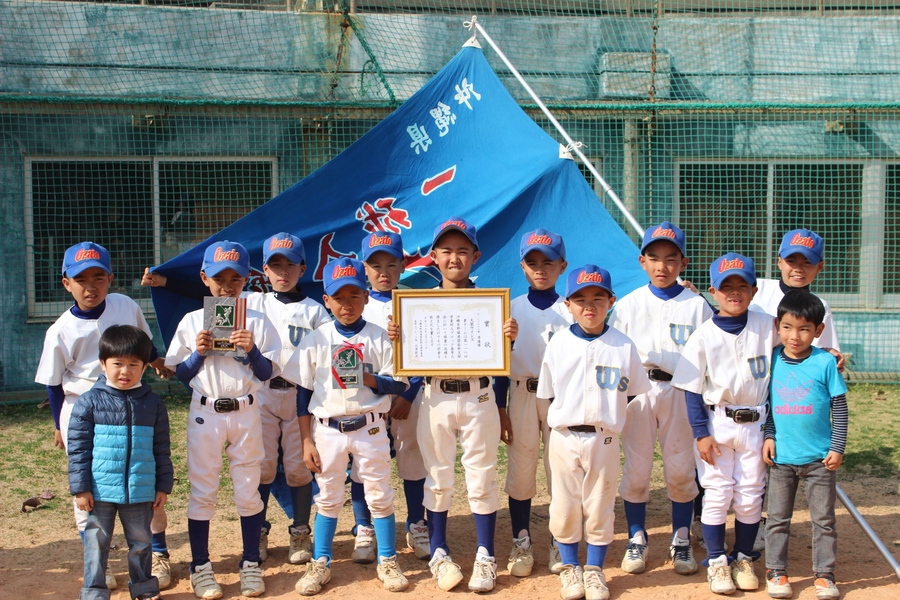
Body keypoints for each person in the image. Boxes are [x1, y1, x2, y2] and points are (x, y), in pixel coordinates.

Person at [387, 217, 518, 593]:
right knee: (439, 477)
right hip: (435, 396)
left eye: (463, 251)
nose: (454, 258)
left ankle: (485, 556)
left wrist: (507, 339)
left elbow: (499, 364)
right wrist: (401, 338)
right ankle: (440, 553)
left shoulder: (491, 304)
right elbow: (409, 360)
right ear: (433, 256)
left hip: (479, 396)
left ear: (476, 256)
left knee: (482, 477)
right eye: (446, 251)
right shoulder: (418, 305)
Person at [35, 242, 171, 591]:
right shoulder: (60, 329)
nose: (90, 286)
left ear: (111, 278)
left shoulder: (124, 304)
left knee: (141, 480)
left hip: (130, 403)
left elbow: (142, 342)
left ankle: (156, 555)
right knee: (91, 493)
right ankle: (99, 564)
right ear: (66, 283)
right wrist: (58, 424)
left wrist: (155, 362)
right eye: (80, 279)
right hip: (81, 409)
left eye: (98, 276)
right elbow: (52, 384)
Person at [286, 257, 410, 595]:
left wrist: (368, 378)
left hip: (370, 426)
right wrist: (305, 441)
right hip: (327, 429)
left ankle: (387, 559)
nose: (347, 304)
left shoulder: (381, 337)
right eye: (339, 297)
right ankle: (321, 562)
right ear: (326, 300)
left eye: (354, 295)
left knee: (380, 496)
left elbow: (400, 384)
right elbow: (303, 393)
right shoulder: (315, 340)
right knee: (327, 498)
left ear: (367, 296)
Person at [165, 241, 282, 600]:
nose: (227, 286)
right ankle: (200, 566)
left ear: (248, 278)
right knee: (203, 490)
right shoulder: (191, 322)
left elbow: (267, 373)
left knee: (248, 490)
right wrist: (197, 355)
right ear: (204, 278)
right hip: (206, 411)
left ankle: (250, 562)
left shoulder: (258, 321)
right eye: (219, 278)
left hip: (247, 410)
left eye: (235, 277)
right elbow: (181, 376)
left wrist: (252, 350)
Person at [537, 264, 651, 600]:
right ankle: (571, 568)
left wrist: (607, 412)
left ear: (611, 301)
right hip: (565, 435)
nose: (590, 305)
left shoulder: (623, 345)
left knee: (600, 505)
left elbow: (630, 390)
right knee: (564, 505)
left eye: (598, 298)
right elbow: (547, 393)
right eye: (580, 298)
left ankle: (595, 570)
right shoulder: (558, 343)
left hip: (604, 436)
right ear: (567, 304)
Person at [608, 222, 712, 576]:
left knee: (682, 469)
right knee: (636, 471)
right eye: (654, 257)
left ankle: (681, 539)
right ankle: (637, 537)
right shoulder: (628, 304)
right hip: (639, 391)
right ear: (642, 261)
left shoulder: (697, 305)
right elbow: (616, 354)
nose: (662, 266)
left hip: (682, 391)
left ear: (683, 262)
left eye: (671, 258)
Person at [672, 253, 776, 596]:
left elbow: (795, 344)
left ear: (754, 289)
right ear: (713, 291)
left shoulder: (767, 325)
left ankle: (743, 556)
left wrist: (828, 353)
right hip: (718, 423)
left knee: (750, 496)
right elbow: (691, 391)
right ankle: (717, 561)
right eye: (726, 286)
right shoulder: (702, 335)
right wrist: (700, 434)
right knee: (717, 494)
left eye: (742, 285)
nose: (735, 292)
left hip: (756, 424)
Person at [67, 324, 173, 600]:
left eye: (133, 364)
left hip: (140, 490)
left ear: (145, 367)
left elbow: (162, 449)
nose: (125, 371)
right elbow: (78, 450)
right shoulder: (88, 402)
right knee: (96, 543)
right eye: (117, 363)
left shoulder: (153, 403)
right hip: (99, 491)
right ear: (103, 364)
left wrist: (162, 486)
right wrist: (81, 488)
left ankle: (143, 587)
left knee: (141, 542)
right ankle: (93, 591)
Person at [248, 233, 331, 565]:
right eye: (275, 265)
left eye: (290, 265)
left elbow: (329, 353)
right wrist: (166, 281)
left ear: (303, 268)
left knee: (299, 469)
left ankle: (300, 531)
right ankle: (258, 529)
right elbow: (215, 294)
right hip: (262, 392)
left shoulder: (315, 311)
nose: (283, 272)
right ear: (264, 270)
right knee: (263, 467)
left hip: (300, 395)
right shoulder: (253, 303)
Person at [763, 291, 847, 600]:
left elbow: (839, 407)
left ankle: (824, 575)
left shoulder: (825, 362)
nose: (794, 336)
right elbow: (767, 406)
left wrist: (837, 447)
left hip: (819, 459)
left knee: (823, 521)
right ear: (777, 325)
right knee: (777, 519)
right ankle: (776, 571)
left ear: (818, 331)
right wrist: (769, 436)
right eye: (787, 327)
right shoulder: (772, 360)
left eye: (804, 329)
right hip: (782, 458)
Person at [499, 229, 572, 577]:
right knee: (521, 469)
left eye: (548, 262)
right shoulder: (509, 309)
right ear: (522, 266)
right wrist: (500, 409)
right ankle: (521, 540)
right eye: (532, 262)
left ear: (562, 266)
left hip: (562, 397)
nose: (540, 268)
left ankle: (561, 539)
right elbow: (498, 366)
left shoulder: (572, 308)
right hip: (523, 393)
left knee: (562, 469)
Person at [356, 231, 429, 560]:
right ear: (364, 268)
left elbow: (425, 352)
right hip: (367, 397)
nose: (383, 271)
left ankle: (416, 523)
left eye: (390, 264)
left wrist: (409, 394)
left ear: (402, 266)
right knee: (363, 462)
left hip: (406, 395)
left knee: (411, 455)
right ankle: (364, 527)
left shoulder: (415, 302)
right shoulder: (356, 303)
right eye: (375, 265)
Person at [749, 228, 839, 350]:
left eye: (807, 262)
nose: (798, 268)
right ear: (779, 262)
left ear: (820, 267)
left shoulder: (820, 306)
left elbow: (824, 350)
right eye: (791, 261)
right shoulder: (755, 290)